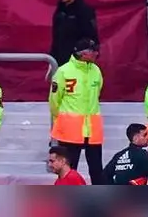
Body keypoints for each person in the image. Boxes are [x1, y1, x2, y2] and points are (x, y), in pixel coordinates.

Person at [49, 38, 104, 185]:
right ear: (83, 54)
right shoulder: (64, 71)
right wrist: (61, 119)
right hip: (70, 131)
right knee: (68, 170)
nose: (97, 53)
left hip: (92, 130)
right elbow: (54, 100)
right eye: (93, 51)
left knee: (97, 170)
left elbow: (97, 93)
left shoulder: (96, 70)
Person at [50, 0, 99, 70]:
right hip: (60, 62)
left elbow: (91, 37)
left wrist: (83, 58)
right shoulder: (59, 11)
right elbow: (56, 37)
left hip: (78, 63)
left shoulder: (84, 10)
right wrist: (52, 58)